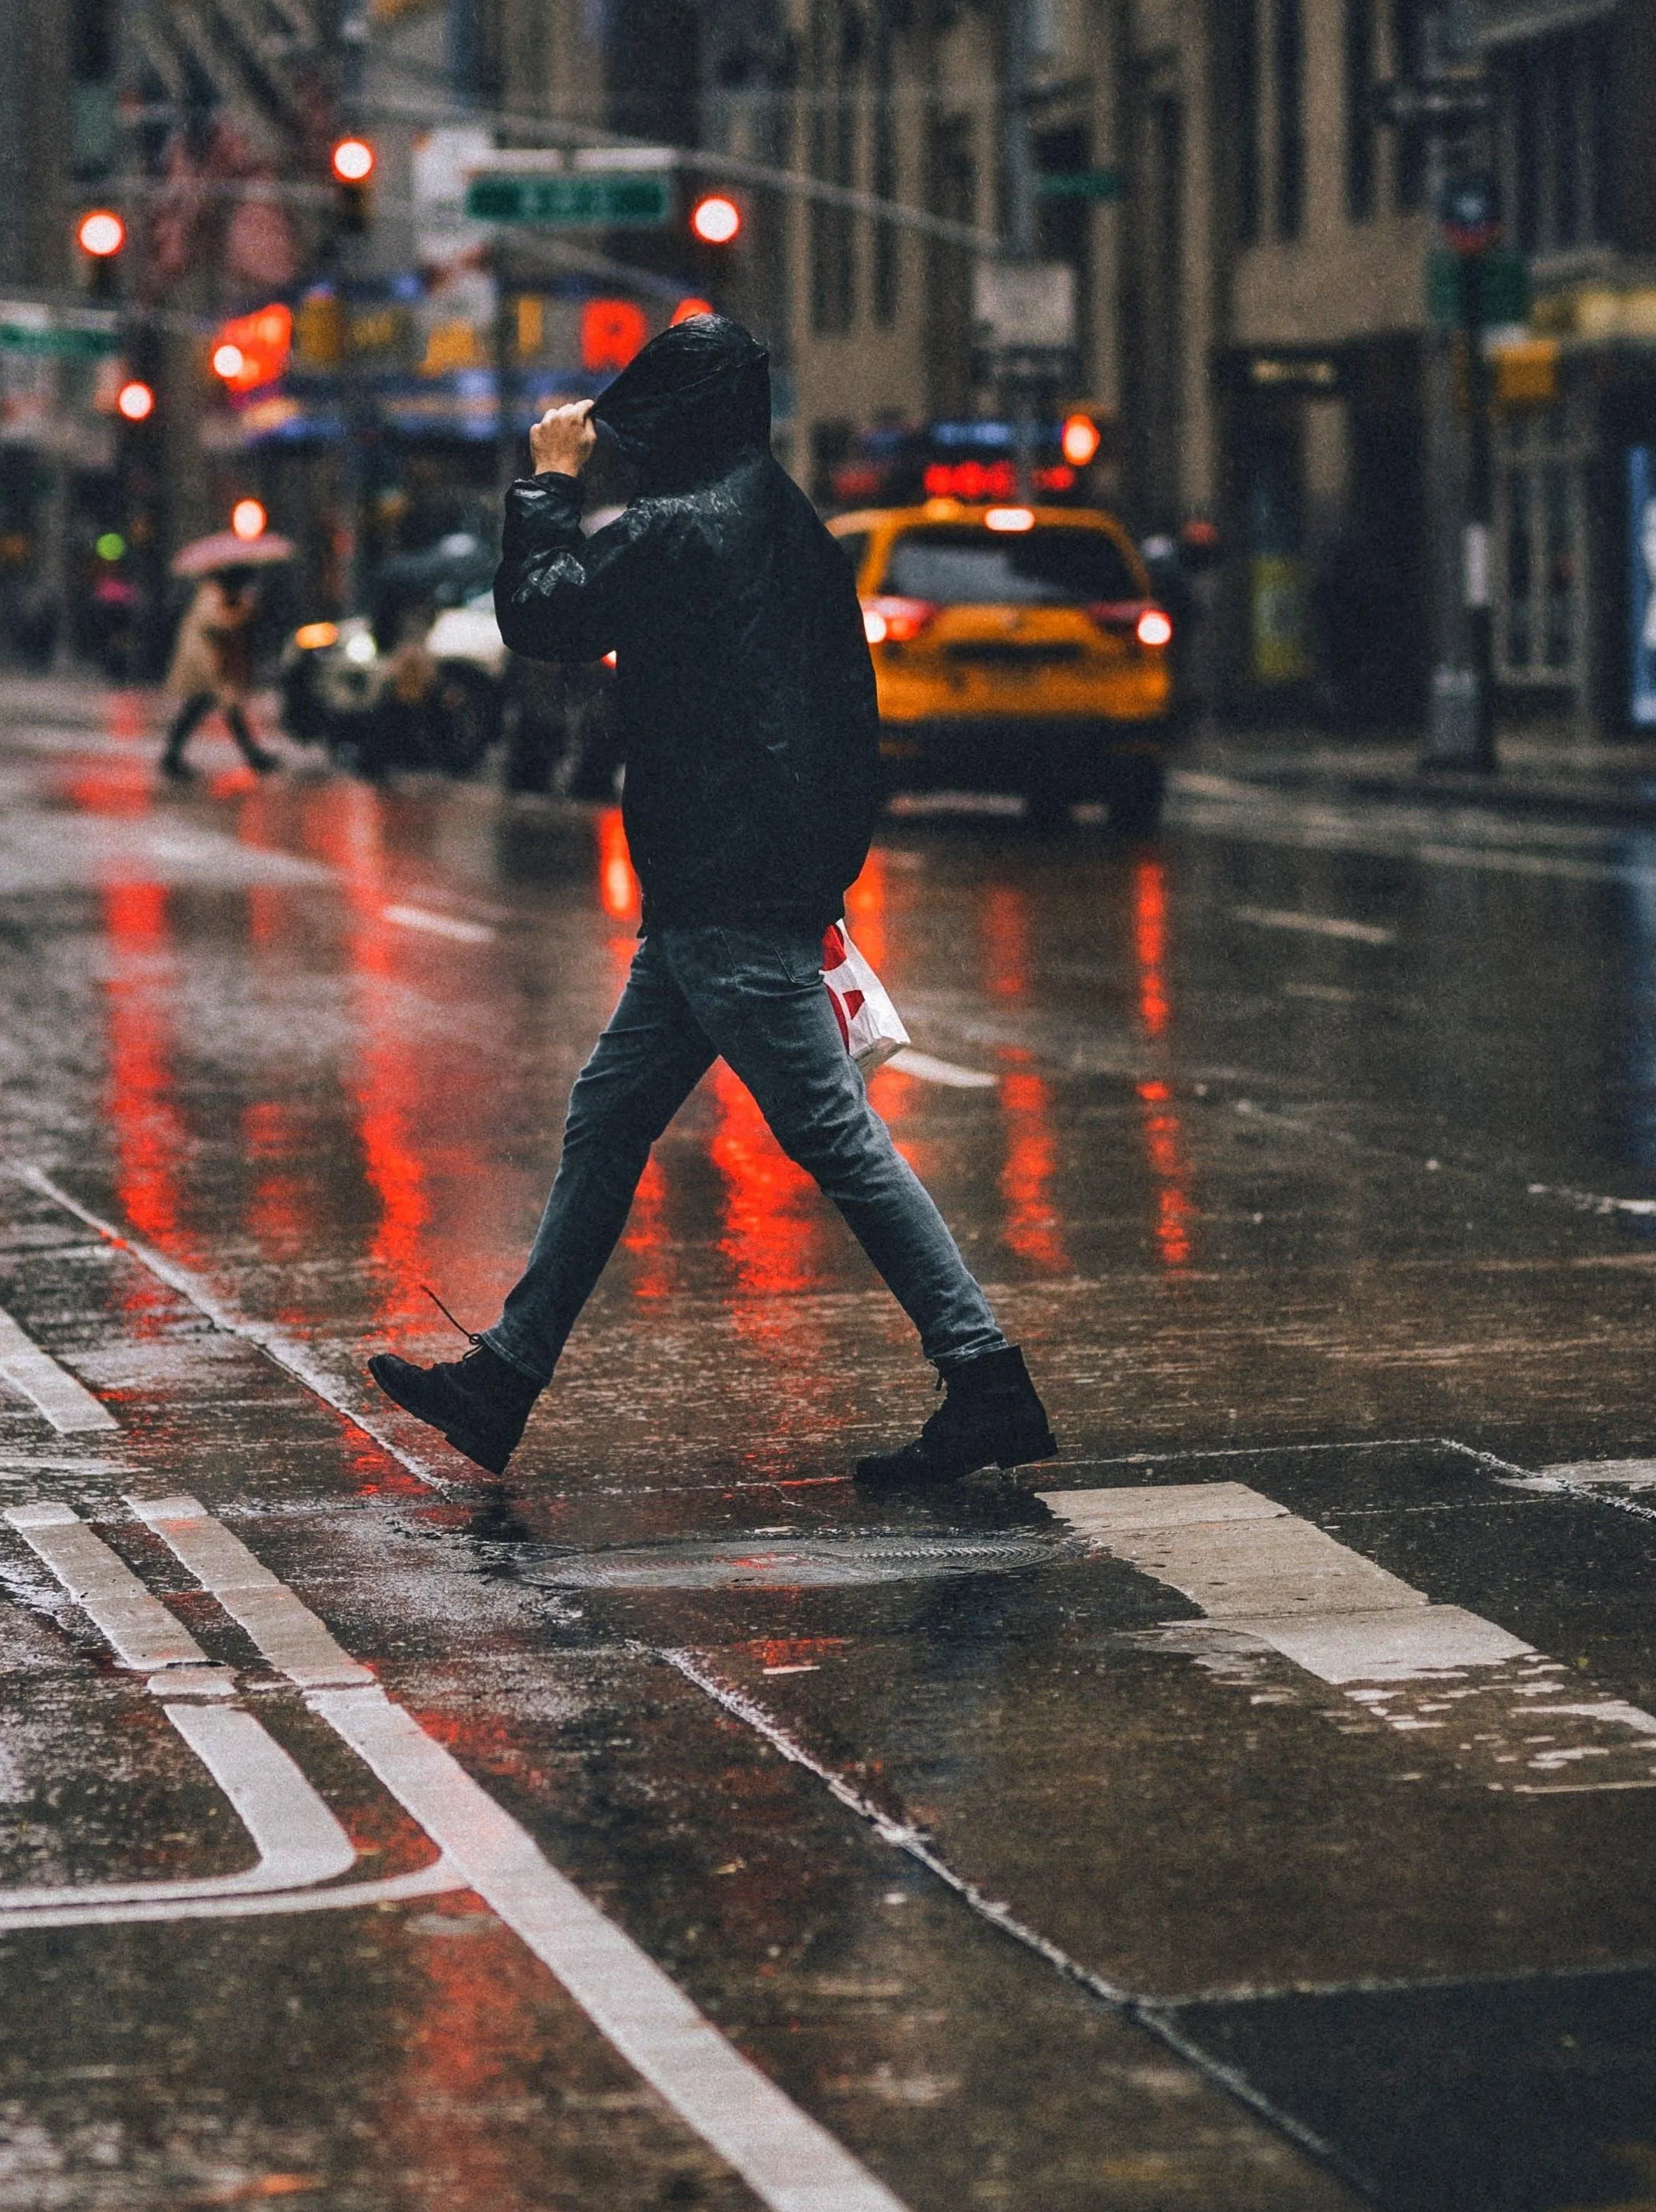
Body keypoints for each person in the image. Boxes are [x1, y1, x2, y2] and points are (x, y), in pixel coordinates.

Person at [368, 313, 1055, 1489]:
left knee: (833, 1137)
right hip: (737, 877)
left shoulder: (683, 530)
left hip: (724, 886)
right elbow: (844, 710)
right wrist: (821, 865)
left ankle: (985, 1375)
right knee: (607, 1116)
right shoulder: (787, 520)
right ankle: (504, 1379)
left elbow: (542, 617)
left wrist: (544, 482)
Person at [161, 573, 280, 778]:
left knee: (212, 708)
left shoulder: (219, 594)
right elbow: (219, 622)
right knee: (213, 707)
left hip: (214, 661)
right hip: (205, 661)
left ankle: (173, 757)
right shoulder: (211, 594)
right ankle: (172, 758)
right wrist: (244, 610)